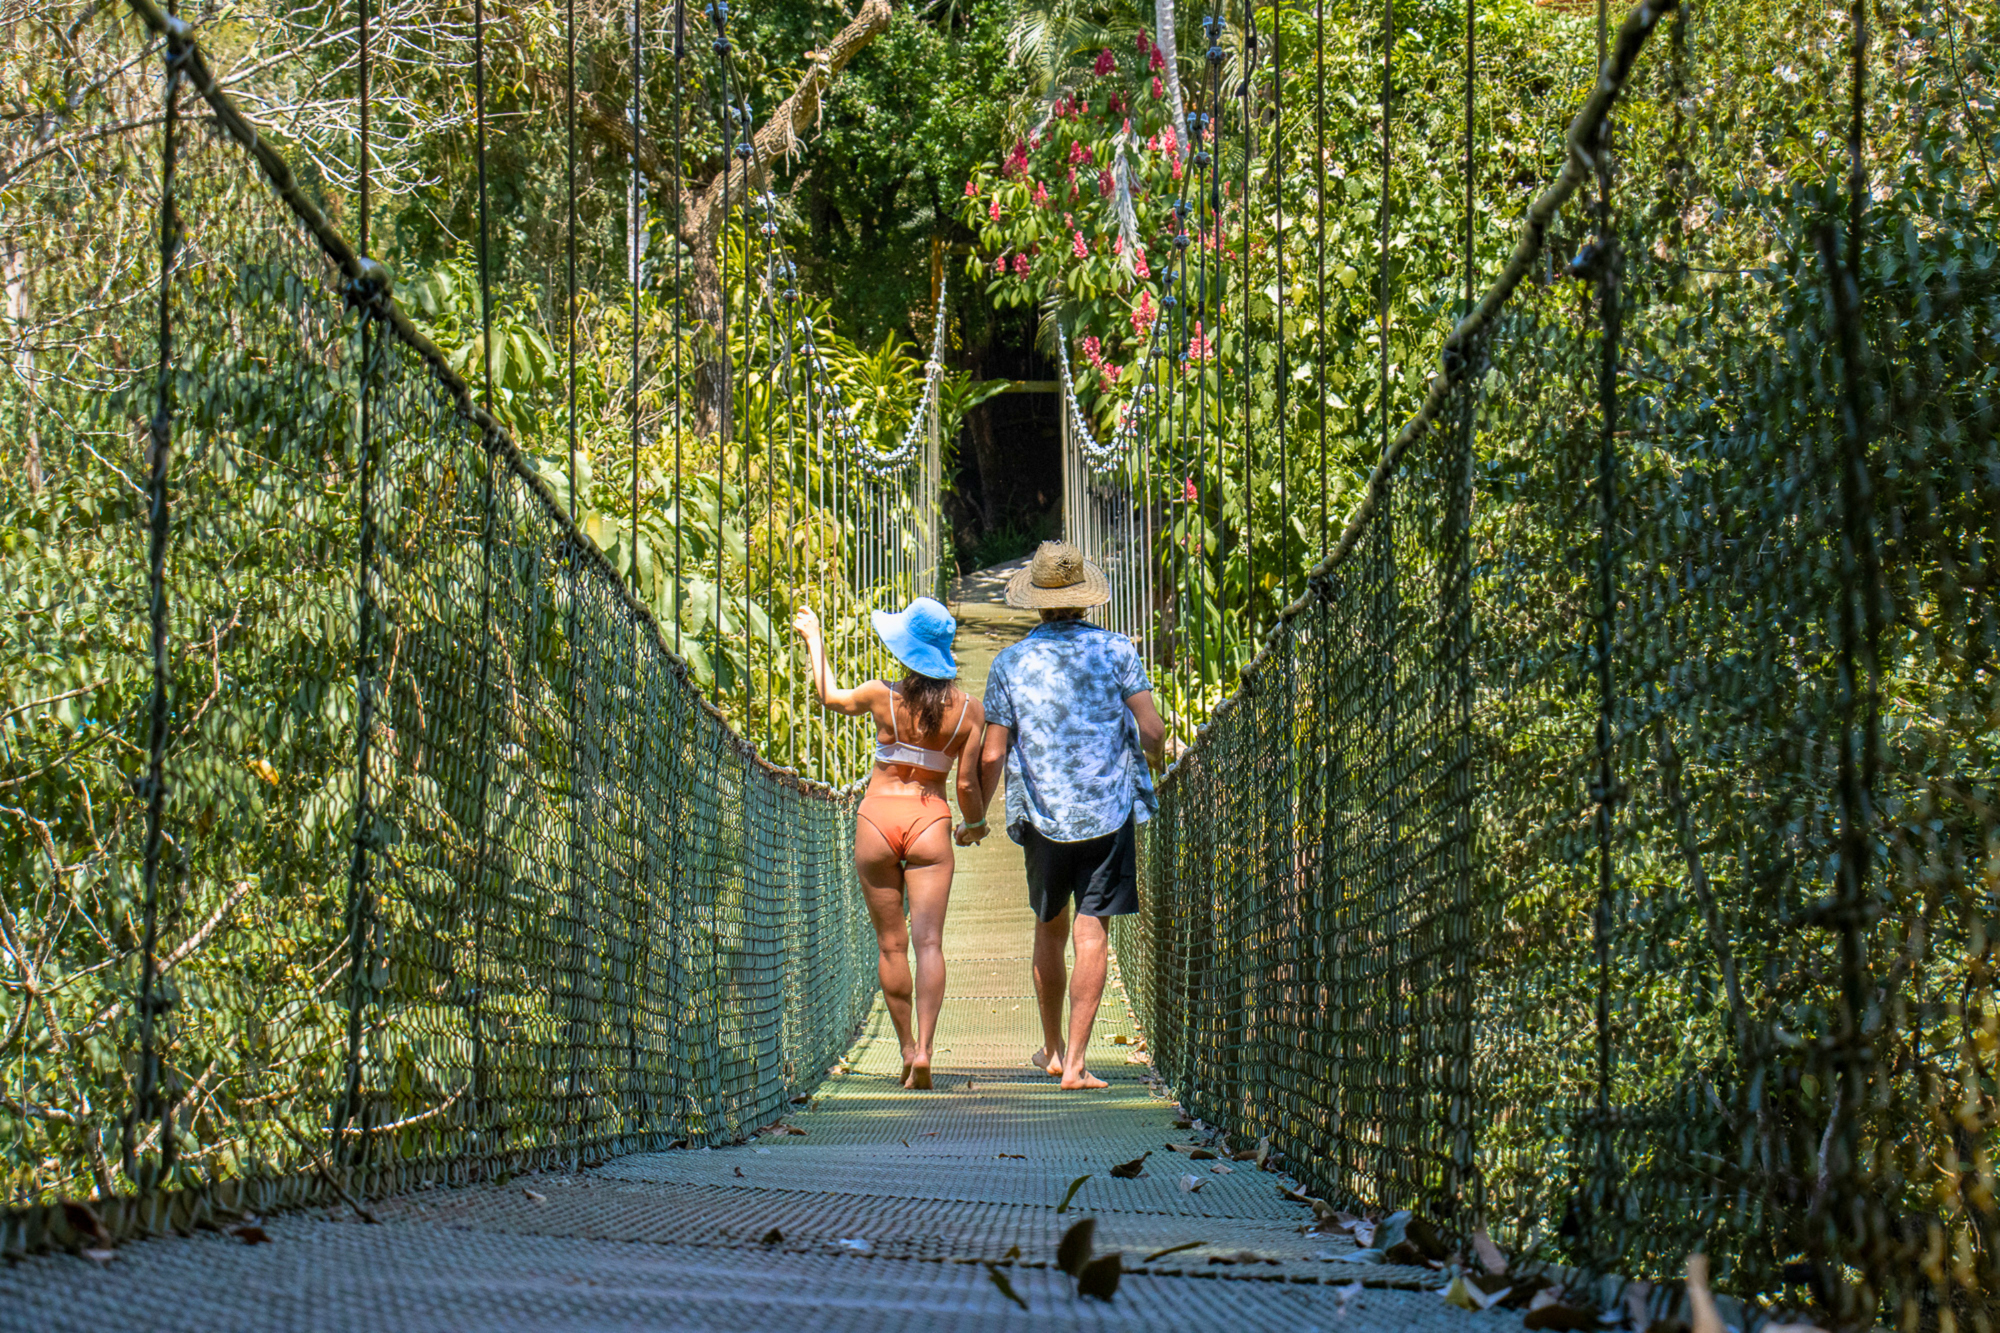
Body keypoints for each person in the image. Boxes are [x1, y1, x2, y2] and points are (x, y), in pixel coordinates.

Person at [961, 542, 1165, 1091]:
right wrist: (1156, 764)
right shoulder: (1117, 651)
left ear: (1036, 602)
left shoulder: (1009, 662)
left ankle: (1051, 1051)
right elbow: (1151, 732)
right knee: (1091, 932)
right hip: (1108, 809)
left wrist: (976, 816)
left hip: (1043, 815)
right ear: (1085, 599)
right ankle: (1076, 1063)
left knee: (1049, 930)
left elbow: (992, 753)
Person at [793, 596, 988, 1090]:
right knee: (929, 943)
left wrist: (815, 640)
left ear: (905, 649)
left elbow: (829, 698)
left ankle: (903, 1049)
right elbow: (967, 786)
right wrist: (975, 825)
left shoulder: (883, 696)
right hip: (929, 822)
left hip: (878, 820)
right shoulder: (969, 712)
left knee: (891, 944)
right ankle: (926, 1050)